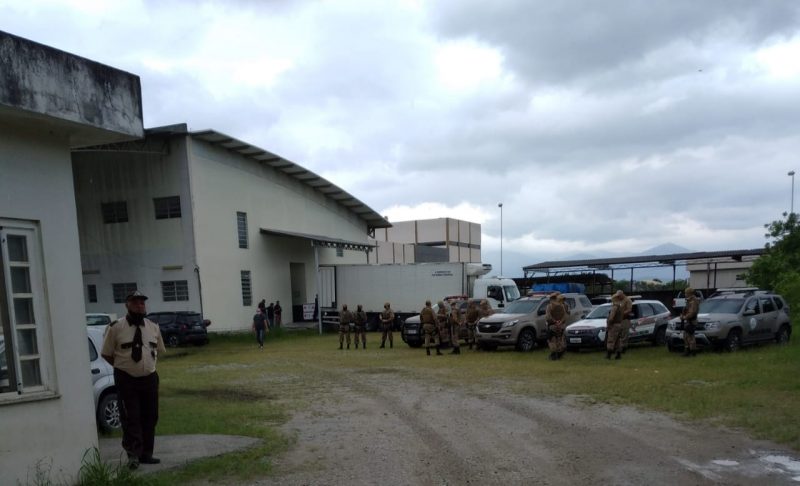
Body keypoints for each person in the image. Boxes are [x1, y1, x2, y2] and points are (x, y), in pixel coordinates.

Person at [101, 291, 166, 470]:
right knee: (131, 417)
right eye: (135, 302)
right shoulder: (116, 328)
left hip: (149, 378)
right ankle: (133, 455)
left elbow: (158, 350)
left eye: (142, 303)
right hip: (126, 378)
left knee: (150, 416)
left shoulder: (153, 327)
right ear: (127, 305)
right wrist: (123, 366)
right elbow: (106, 353)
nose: (140, 305)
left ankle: (147, 454)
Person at [545, 292, 567, 360]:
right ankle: (560, 354)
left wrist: (555, 321)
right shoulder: (562, 306)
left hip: (552, 326)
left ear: (551, 298)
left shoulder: (550, 306)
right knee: (560, 340)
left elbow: (548, 316)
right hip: (561, 325)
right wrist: (560, 322)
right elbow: (565, 316)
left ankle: (554, 355)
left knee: (552, 340)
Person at [681, 287, 699, 357]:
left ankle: (693, 351)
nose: (685, 294)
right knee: (685, 336)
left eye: (686, 293)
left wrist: (685, 317)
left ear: (689, 293)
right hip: (688, 321)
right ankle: (687, 350)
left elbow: (692, 312)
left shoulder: (694, 301)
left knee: (690, 337)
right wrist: (683, 315)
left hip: (692, 321)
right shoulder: (689, 300)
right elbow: (687, 310)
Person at [606, 293, 625, 360]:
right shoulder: (620, 307)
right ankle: (618, 354)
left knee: (611, 340)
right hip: (619, 324)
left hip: (614, 325)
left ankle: (608, 355)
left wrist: (609, 325)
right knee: (618, 341)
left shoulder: (614, 307)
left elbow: (611, 318)